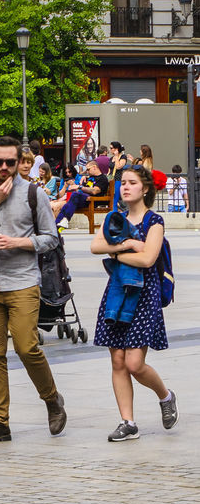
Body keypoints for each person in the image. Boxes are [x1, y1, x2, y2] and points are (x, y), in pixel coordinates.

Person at [0, 135, 67, 444]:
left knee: (26, 347)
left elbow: (51, 238)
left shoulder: (33, 194)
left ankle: (52, 399)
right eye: (0, 162)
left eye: (11, 162)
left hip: (22, 281)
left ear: (20, 161)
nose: (6, 167)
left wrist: (17, 243)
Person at [90, 164, 177, 441]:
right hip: (117, 292)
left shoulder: (155, 221)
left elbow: (148, 259)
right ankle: (127, 422)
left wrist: (114, 255)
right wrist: (126, 247)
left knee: (134, 363)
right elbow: (95, 246)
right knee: (117, 360)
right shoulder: (116, 218)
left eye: (132, 182)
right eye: (123, 182)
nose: (125, 187)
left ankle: (165, 396)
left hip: (144, 294)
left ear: (145, 188)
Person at [54, 156, 109, 231]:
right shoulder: (89, 178)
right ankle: (56, 225)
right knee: (66, 204)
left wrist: (79, 187)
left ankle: (66, 219)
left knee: (75, 195)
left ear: (94, 167)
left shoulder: (102, 178)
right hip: (84, 199)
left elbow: (95, 191)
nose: (87, 171)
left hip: (93, 200)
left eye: (88, 169)